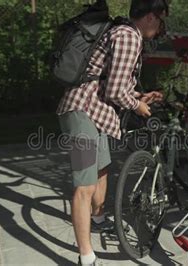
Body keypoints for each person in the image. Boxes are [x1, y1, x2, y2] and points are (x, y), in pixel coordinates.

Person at [56, 0, 168, 264]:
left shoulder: (122, 31)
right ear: (152, 17)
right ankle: (86, 255)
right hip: (81, 113)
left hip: (98, 115)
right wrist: (136, 105)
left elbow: (110, 81)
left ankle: (98, 218)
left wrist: (140, 95)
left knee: (102, 169)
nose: (161, 27)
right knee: (84, 185)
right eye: (161, 20)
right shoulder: (130, 37)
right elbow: (115, 92)